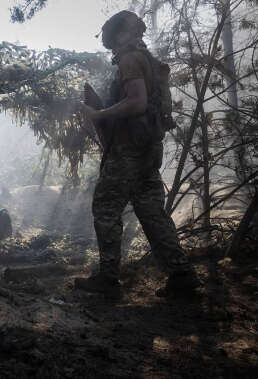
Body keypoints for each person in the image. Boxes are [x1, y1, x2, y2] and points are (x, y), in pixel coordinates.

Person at [79, 11, 199, 297]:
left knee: (106, 208)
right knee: (151, 211)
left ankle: (108, 280)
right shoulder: (148, 59)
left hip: (129, 151)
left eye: (111, 37)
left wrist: (98, 114)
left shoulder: (131, 59)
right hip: (147, 149)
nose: (109, 43)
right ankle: (181, 275)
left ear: (120, 34)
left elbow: (137, 102)